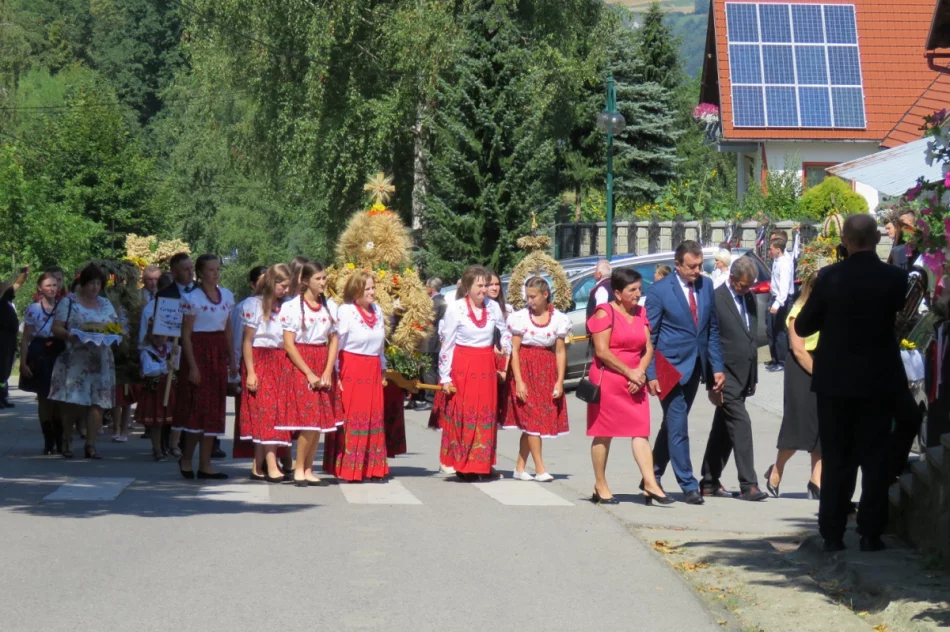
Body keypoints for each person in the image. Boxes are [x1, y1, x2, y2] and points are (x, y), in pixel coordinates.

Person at [795, 214, 907, 553]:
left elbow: (802, 327)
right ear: (877, 239)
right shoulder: (896, 279)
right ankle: (871, 533)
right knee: (875, 458)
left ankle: (832, 533)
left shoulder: (829, 278)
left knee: (837, 457)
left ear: (845, 239)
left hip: (836, 383)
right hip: (878, 380)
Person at [646, 240, 725, 505]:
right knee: (679, 424)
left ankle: (652, 476)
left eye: (700, 265)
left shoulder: (705, 286)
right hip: (668, 367)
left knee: (672, 424)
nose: (697, 271)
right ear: (677, 265)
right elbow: (650, 336)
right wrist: (652, 373)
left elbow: (711, 329)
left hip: (695, 367)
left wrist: (717, 367)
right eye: (691, 266)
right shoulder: (659, 291)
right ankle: (688, 484)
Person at [587, 268, 672, 505]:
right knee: (603, 434)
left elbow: (648, 348)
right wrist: (629, 373)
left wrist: (640, 373)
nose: (637, 294)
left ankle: (651, 483)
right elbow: (602, 351)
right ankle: (600, 485)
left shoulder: (641, 312)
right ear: (617, 292)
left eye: (639, 289)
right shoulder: (604, 313)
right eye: (631, 290)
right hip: (609, 380)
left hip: (636, 379)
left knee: (641, 432)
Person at [699, 258, 767, 501]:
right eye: (742, 286)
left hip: (743, 375)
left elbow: (750, 337)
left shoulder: (748, 298)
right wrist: (711, 379)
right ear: (732, 279)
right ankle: (749, 484)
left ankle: (709, 480)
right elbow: (710, 341)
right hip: (724, 375)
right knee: (741, 424)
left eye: (749, 286)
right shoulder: (716, 299)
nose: (746, 290)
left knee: (724, 430)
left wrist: (753, 375)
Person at [439, 265, 507, 481]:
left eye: (486, 285)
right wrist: (445, 377)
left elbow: (504, 332)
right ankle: (463, 464)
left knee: (484, 413)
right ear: (467, 288)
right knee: (466, 414)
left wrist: (504, 347)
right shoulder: (456, 309)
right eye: (479, 285)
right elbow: (447, 345)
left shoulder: (493, 308)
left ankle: (481, 462)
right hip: (463, 366)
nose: (484, 289)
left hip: (485, 366)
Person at [323, 271, 389, 482]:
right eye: (367, 288)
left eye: (372, 288)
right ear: (355, 291)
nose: (371, 292)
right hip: (352, 368)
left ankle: (372, 467)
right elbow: (336, 344)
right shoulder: (347, 311)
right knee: (353, 418)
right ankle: (349, 467)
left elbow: (380, 345)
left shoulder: (377, 311)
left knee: (373, 417)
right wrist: (335, 373)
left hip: (372, 368)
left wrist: (383, 367)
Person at [502, 277, 571, 482]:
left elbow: (560, 352)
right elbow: (514, 350)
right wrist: (519, 381)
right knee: (532, 420)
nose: (530, 300)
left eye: (533, 296)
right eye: (528, 296)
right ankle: (540, 468)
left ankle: (520, 468)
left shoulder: (559, 318)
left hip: (546, 371)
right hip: (525, 369)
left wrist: (559, 380)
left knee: (536, 421)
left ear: (545, 295)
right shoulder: (520, 318)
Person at [278, 262, 341, 486]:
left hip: (321, 359)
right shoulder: (292, 307)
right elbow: (288, 344)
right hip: (301, 363)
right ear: (305, 281)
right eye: (319, 279)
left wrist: (327, 370)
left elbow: (334, 339)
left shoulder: (330, 306)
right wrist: (309, 373)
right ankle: (298, 467)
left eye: (324, 278)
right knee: (308, 418)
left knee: (319, 420)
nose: (323, 282)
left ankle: (308, 467)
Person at [174, 254, 236, 480]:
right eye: (211, 270)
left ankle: (206, 463)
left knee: (214, 409)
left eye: (218, 269)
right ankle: (187, 458)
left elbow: (228, 329)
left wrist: (232, 359)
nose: (216, 273)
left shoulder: (227, 296)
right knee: (197, 408)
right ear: (200, 273)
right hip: (199, 353)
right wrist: (192, 366)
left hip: (217, 353)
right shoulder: (193, 298)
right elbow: (186, 335)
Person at [48, 264, 119, 460]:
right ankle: (67, 440)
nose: (95, 287)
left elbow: (115, 326)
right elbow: (56, 328)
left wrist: (111, 332)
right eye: (91, 283)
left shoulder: (105, 303)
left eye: (98, 283)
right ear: (82, 283)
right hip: (76, 359)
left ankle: (91, 444)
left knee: (98, 402)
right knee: (73, 402)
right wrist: (71, 334)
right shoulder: (68, 302)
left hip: (101, 358)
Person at [764, 271, 822, 500]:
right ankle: (776, 469)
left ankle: (816, 479)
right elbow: (798, 350)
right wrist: (819, 374)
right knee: (797, 425)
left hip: (821, 364)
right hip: (801, 369)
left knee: (822, 427)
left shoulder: (827, 311)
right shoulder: (799, 311)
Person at [240, 264, 293, 482]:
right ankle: (272, 464)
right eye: (283, 286)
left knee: (274, 413)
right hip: (260, 359)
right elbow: (247, 341)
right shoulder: (254, 304)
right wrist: (251, 372)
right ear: (273, 283)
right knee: (266, 412)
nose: (286, 291)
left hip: (280, 360)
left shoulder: (286, 306)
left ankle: (257, 464)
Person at [19, 272, 61, 453]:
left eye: (54, 285)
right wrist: (23, 363)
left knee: (60, 399)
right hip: (40, 354)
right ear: (40, 288)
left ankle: (61, 439)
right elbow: (26, 339)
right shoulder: (33, 309)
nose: (52, 288)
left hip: (60, 352)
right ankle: (48, 440)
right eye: (48, 285)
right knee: (44, 399)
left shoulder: (64, 307)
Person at [230, 265, 267, 460]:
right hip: (251, 361)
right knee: (251, 411)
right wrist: (234, 369)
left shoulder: (280, 305)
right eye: (262, 281)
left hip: (272, 364)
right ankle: (253, 455)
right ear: (253, 285)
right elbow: (238, 339)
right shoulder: (245, 307)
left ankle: (273, 455)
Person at [137, 319, 175, 461]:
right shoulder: (147, 351)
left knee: (171, 421)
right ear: (150, 335)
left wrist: (176, 356)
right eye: (157, 335)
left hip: (170, 388)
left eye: (163, 335)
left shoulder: (172, 348)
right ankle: (157, 448)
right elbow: (148, 370)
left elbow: (177, 365)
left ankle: (171, 446)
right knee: (157, 422)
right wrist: (165, 366)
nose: (160, 339)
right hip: (155, 390)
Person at [411, 277, 446, 412]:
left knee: (428, 370)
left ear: (431, 288)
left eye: (426, 287)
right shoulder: (440, 300)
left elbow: (429, 321)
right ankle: (427, 397)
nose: (426, 289)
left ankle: (430, 399)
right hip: (432, 341)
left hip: (430, 341)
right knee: (428, 369)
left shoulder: (435, 302)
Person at [0, 265, 29, 408]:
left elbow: (17, 284)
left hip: (9, 339)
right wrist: (15, 273)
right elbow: (7, 284)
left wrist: (23, 274)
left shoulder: (5, 297)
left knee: (5, 368)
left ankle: (2, 396)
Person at [766, 238, 793, 371]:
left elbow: (784, 286)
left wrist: (777, 304)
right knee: (770, 330)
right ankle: (775, 358)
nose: (769, 251)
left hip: (781, 300)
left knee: (779, 331)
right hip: (774, 297)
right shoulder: (776, 261)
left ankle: (782, 361)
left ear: (778, 249)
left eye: (771, 248)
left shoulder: (784, 263)